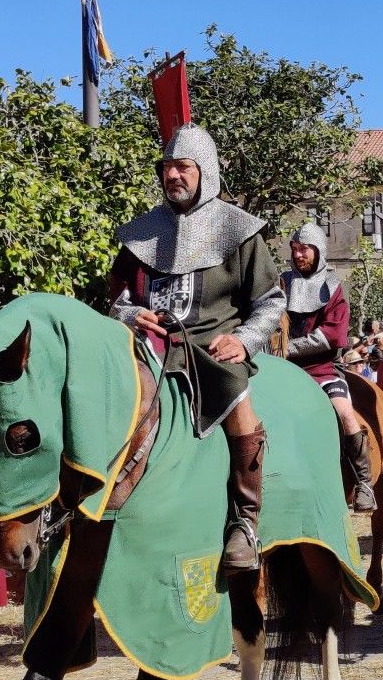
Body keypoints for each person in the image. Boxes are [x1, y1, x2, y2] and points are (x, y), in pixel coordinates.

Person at [108, 123, 286, 574]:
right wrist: (130, 316)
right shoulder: (140, 235)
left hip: (213, 349)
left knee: (237, 400)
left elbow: (270, 302)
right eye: (167, 167)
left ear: (204, 172)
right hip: (147, 348)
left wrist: (244, 341)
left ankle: (245, 523)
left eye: (182, 167)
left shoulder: (239, 232)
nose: (173, 176)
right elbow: (116, 299)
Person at [280, 223, 375, 511]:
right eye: (295, 249)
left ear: (319, 251)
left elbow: (333, 335)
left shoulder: (332, 288)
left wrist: (288, 348)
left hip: (322, 370)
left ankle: (363, 483)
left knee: (346, 414)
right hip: (281, 370)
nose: (298, 255)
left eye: (304, 249)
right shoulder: (281, 283)